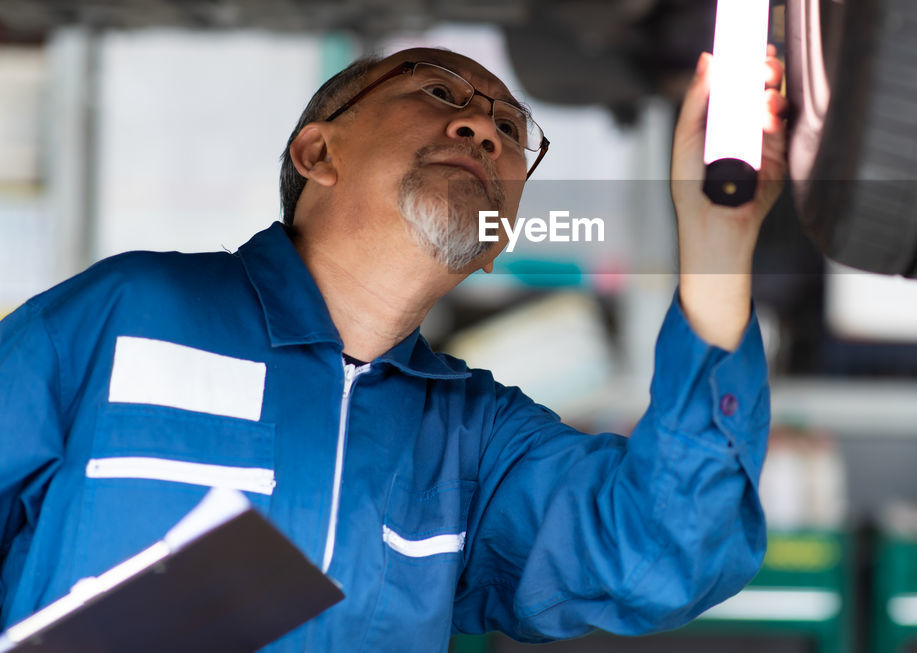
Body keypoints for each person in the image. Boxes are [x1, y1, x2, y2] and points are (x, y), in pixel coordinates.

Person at [0, 45, 789, 650]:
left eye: (510, 130)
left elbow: (664, 547)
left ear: (497, 240)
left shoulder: (476, 441)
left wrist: (719, 236)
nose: (482, 127)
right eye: (439, 93)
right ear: (318, 154)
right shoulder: (129, 313)